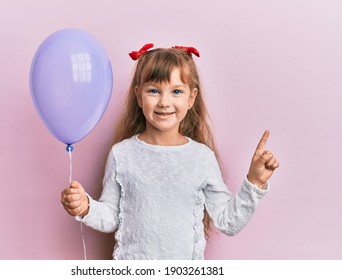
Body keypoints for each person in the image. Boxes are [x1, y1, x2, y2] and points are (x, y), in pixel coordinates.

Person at [61, 43, 279, 260]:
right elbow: (111, 217)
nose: (164, 102)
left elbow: (228, 221)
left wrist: (254, 182)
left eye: (176, 91)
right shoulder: (122, 154)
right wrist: (86, 206)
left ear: (191, 98)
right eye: (154, 91)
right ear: (139, 95)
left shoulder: (202, 158)